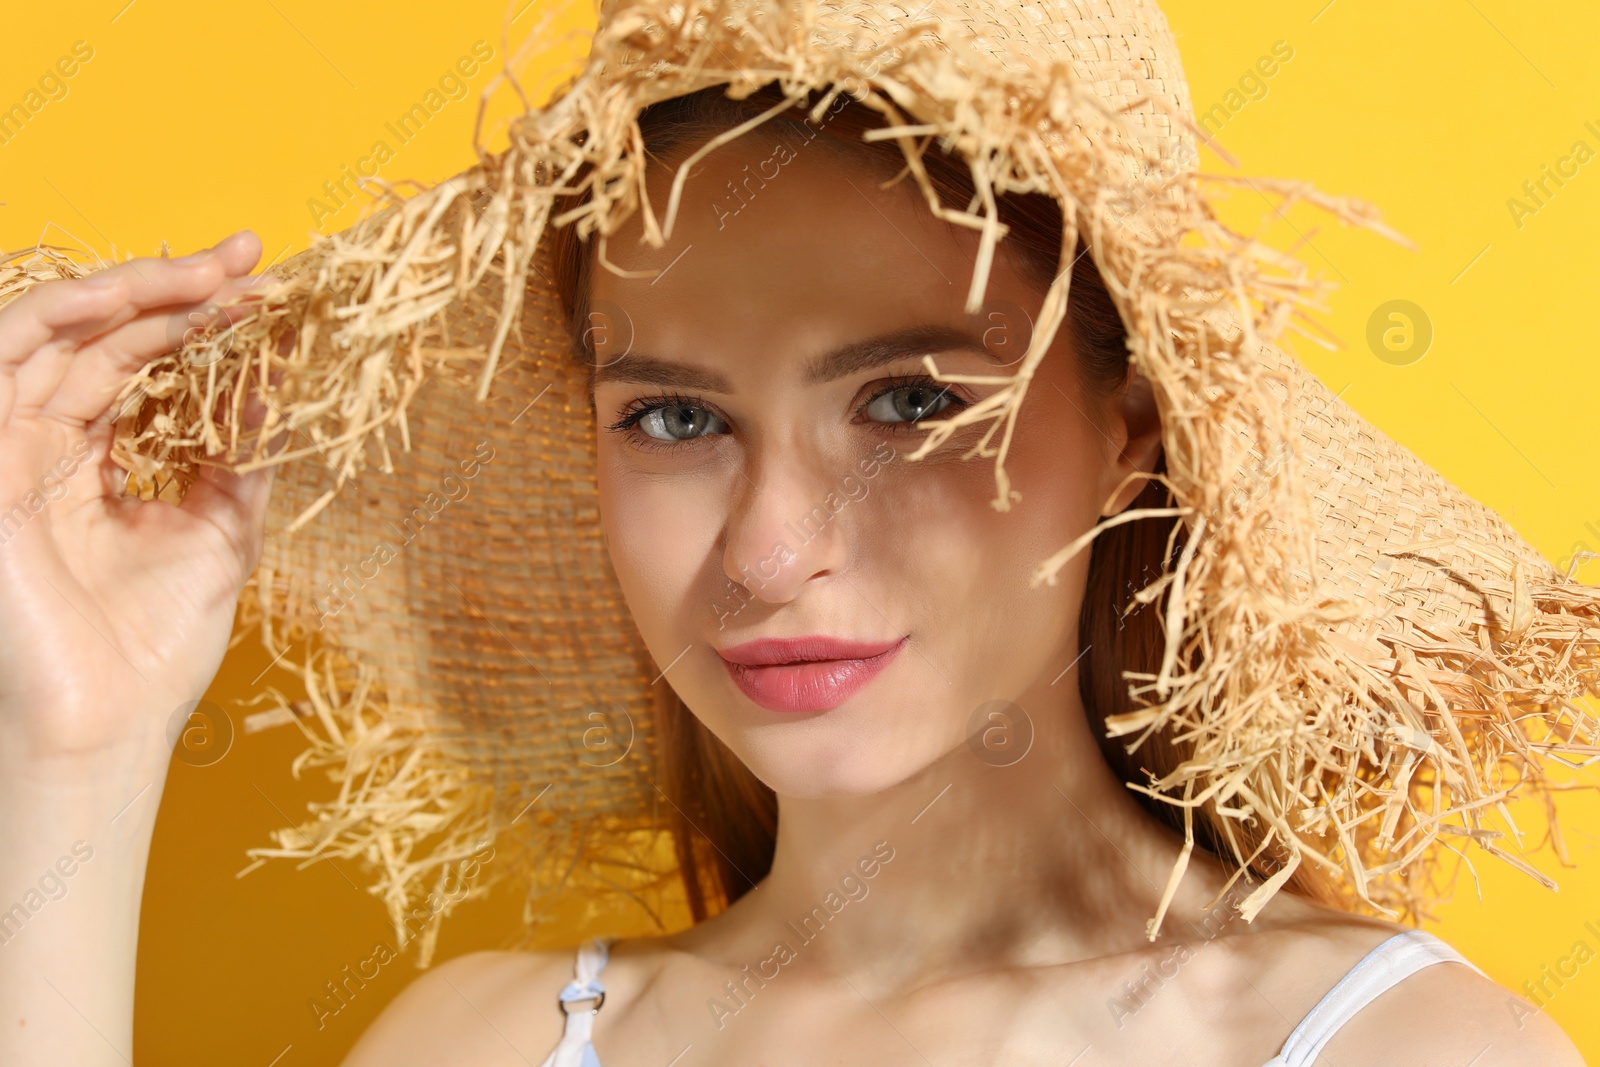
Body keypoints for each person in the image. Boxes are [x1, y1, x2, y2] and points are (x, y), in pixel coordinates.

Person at [1, 3, 1592, 1066]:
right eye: (677, 418)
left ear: (1131, 430)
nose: (766, 555)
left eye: (906, 402)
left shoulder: (1398, 1049)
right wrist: (78, 751)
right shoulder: (485, 1043)